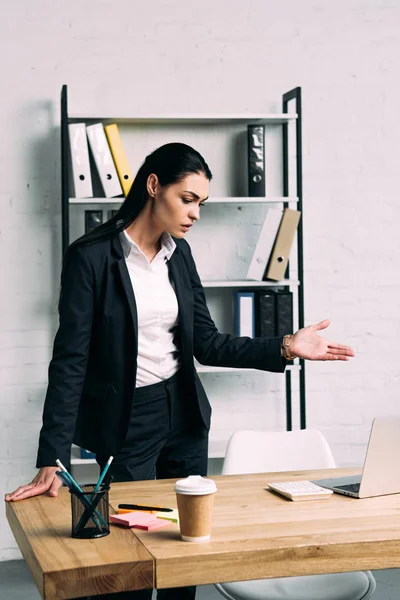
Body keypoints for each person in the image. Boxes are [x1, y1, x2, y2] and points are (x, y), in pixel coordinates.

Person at [5, 142, 355, 599]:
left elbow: (207, 344)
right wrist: (51, 454)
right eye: (187, 199)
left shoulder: (179, 256)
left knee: (183, 558)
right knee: (131, 557)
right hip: (128, 422)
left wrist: (287, 346)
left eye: (201, 204)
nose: (195, 213)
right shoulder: (91, 258)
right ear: (154, 186)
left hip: (184, 416)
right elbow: (70, 359)